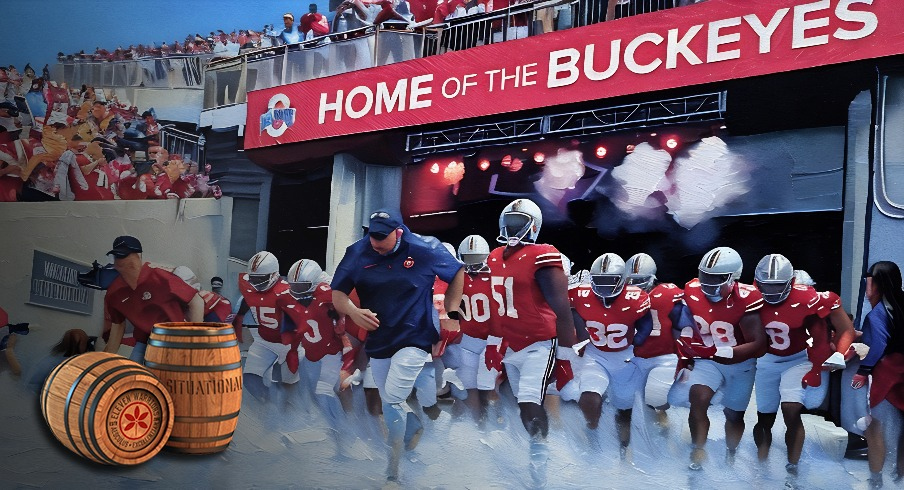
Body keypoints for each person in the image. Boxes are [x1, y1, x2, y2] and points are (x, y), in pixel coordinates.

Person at [331, 209, 464, 481]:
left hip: (415, 336)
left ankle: (392, 473)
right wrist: (354, 312)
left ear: (399, 232)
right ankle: (413, 425)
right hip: (379, 337)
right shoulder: (357, 252)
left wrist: (451, 312)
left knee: (391, 399)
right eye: (372, 235)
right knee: (390, 399)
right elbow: (337, 294)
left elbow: (458, 271)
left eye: (382, 236)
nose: (376, 242)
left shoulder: (424, 248)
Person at [484, 198, 579, 487]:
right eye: (509, 222)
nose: (512, 229)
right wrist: (493, 342)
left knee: (528, 400)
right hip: (512, 343)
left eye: (519, 223)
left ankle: (540, 458)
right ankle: (537, 447)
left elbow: (563, 311)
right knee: (522, 403)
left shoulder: (544, 254)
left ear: (534, 226)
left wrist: (564, 359)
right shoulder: (495, 255)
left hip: (540, 341)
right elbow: (497, 306)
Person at [750, 254, 855, 477]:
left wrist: (838, 354)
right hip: (767, 361)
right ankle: (761, 464)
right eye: (766, 286)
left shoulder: (809, 298)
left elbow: (846, 328)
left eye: (777, 286)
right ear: (757, 282)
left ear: (791, 283)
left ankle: (792, 466)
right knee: (765, 417)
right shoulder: (746, 297)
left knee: (791, 409)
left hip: (796, 359)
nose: (771, 292)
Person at [669, 246, 767, 470]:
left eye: (716, 278)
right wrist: (685, 342)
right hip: (709, 361)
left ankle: (731, 453)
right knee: (698, 398)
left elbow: (759, 344)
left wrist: (730, 352)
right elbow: (682, 324)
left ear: (734, 278)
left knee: (733, 415)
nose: (708, 282)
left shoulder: (747, 297)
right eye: (705, 275)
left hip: (740, 363)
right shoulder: (692, 290)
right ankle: (698, 450)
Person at [569, 253, 653, 458]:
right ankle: (592, 436)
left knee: (623, 409)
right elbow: (570, 312)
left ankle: (624, 447)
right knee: (589, 396)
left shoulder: (636, 298)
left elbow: (646, 325)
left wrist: (637, 346)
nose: (604, 287)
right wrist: (581, 334)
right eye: (599, 281)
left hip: (625, 356)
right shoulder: (581, 294)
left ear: (623, 280)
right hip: (596, 354)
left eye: (610, 281)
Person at [103, 236, 204, 364]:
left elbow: (196, 302)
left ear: (139, 257)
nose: (124, 263)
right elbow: (118, 325)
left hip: (172, 340)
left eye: (126, 256)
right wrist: (104, 360)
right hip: (144, 342)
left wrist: (194, 342)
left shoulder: (160, 277)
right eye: (118, 257)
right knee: (134, 377)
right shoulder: (114, 292)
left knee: (167, 378)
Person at [278, 259, 355, 417]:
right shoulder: (289, 300)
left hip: (332, 352)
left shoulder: (328, 296)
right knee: (310, 390)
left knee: (326, 389)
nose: (297, 291)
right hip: (310, 352)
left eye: (302, 286)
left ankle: (344, 425)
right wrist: (291, 349)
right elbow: (289, 327)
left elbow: (348, 319)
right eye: (294, 286)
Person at [853, 261, 904, 488]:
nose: (866, 284)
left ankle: (876, 480)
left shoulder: (878, 314)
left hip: (888, 373)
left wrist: (862, 372)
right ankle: (900, 477)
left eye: (869, 280)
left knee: (875, 426)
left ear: (878, 283)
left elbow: (878, 345)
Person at [624, 253, 685, 431]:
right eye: (631, 280)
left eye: (640, 280)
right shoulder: (618, 295)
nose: (635, 285)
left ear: (652, 278)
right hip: (634, 356)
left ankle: (665, 424)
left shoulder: (669, 293)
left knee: (654, 398)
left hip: (664, 356)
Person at [233, 251, 295, 401]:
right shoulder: (248, 289)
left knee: (286, 386)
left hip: (289, 344)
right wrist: (237, 327)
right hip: (264, 341)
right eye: (252, 279)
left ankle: (287, 413)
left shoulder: (287, 292)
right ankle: (268, 406)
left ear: (274, 275)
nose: (256, 283)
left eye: (260, 278)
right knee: (249, 380)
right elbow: (242, 308)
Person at [454, 234, 499, 424]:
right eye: (469, 259)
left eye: (476, 260)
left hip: (493, 340)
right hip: (467, 340)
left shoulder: (498, 277)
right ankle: (476, 430)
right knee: (467, 388)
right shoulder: (454, 277)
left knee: (488, 387)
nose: (472, 265)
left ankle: (497, 428)